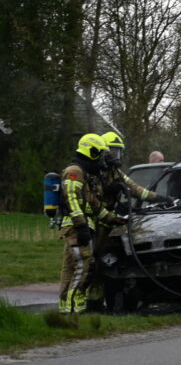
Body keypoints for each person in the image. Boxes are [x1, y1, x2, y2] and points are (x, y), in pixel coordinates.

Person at [84, 132, 174, 311]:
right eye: (112, 152)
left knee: (106, 264)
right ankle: (88, 302)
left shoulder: (116, 173)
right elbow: (90, 200)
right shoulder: (91, 172)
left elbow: (138, 190)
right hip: (91, 223)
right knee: (90, 263)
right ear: (103, 152)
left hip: (108, 222)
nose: (116, 157)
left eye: (118, 152)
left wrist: (163, 198)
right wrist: (108, 193)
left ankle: (102, 303)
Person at [57, 134, 124, 313]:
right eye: (100, 154)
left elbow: (93, 204)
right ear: (91, 151)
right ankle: (75, 306)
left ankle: (66, 309)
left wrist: (111, 218)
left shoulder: (85, 174)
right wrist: (81, 227)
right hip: (75, 226)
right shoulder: (75, 172)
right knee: (84, 263)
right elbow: (72, 201)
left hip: (80, 225)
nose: (102, 159)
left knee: (70, 266)